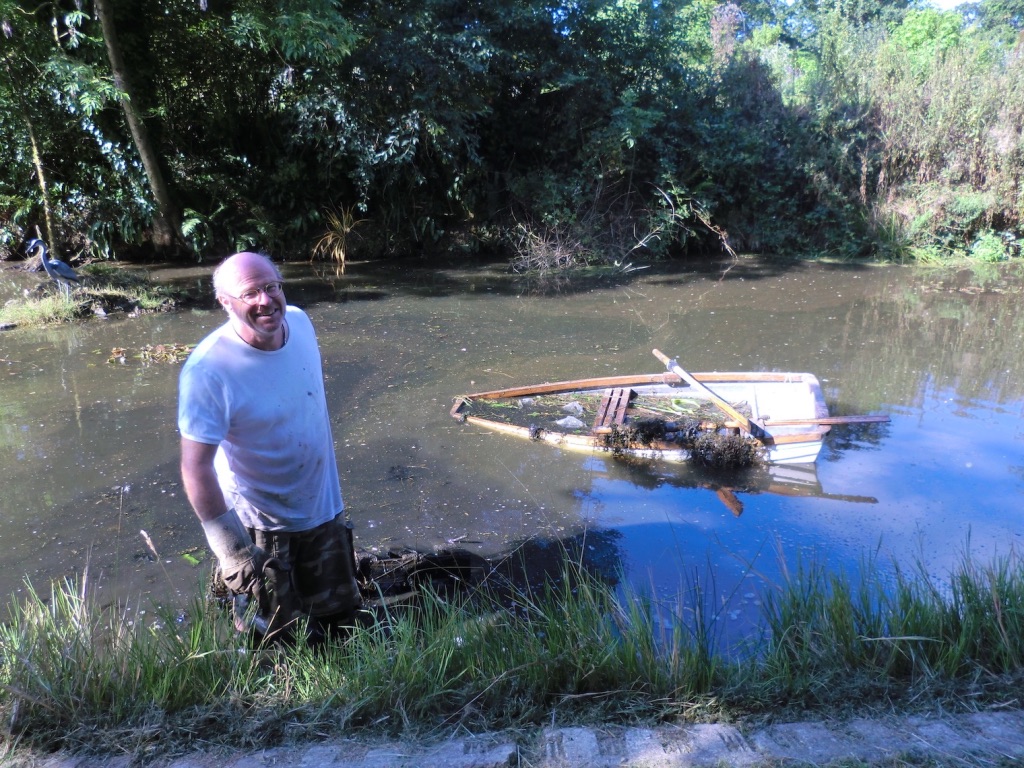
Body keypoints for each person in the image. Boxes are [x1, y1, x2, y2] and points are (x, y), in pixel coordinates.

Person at [177, 251, 361, 643]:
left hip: (324, 509)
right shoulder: (209, 371)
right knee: (277, 642)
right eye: (251, 293)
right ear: (225, 302)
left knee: (341, 625)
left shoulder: (300, 322)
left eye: (272, 286)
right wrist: (233, 552)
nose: (266, 300)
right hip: (265, 529)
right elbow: (195, 469)